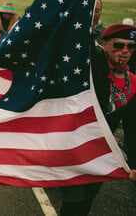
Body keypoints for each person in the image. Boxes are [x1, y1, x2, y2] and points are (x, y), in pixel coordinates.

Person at [58, 23, 136, 215]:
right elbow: (80, 50)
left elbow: (133, 127)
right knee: (74, 201)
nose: (125, 51)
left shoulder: (133, 82)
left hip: (102, 152)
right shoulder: (92, 68)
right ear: (106, 45)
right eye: (118, 45)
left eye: (131, 46)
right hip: (76, 146)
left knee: (88, 199)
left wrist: (133, 164)